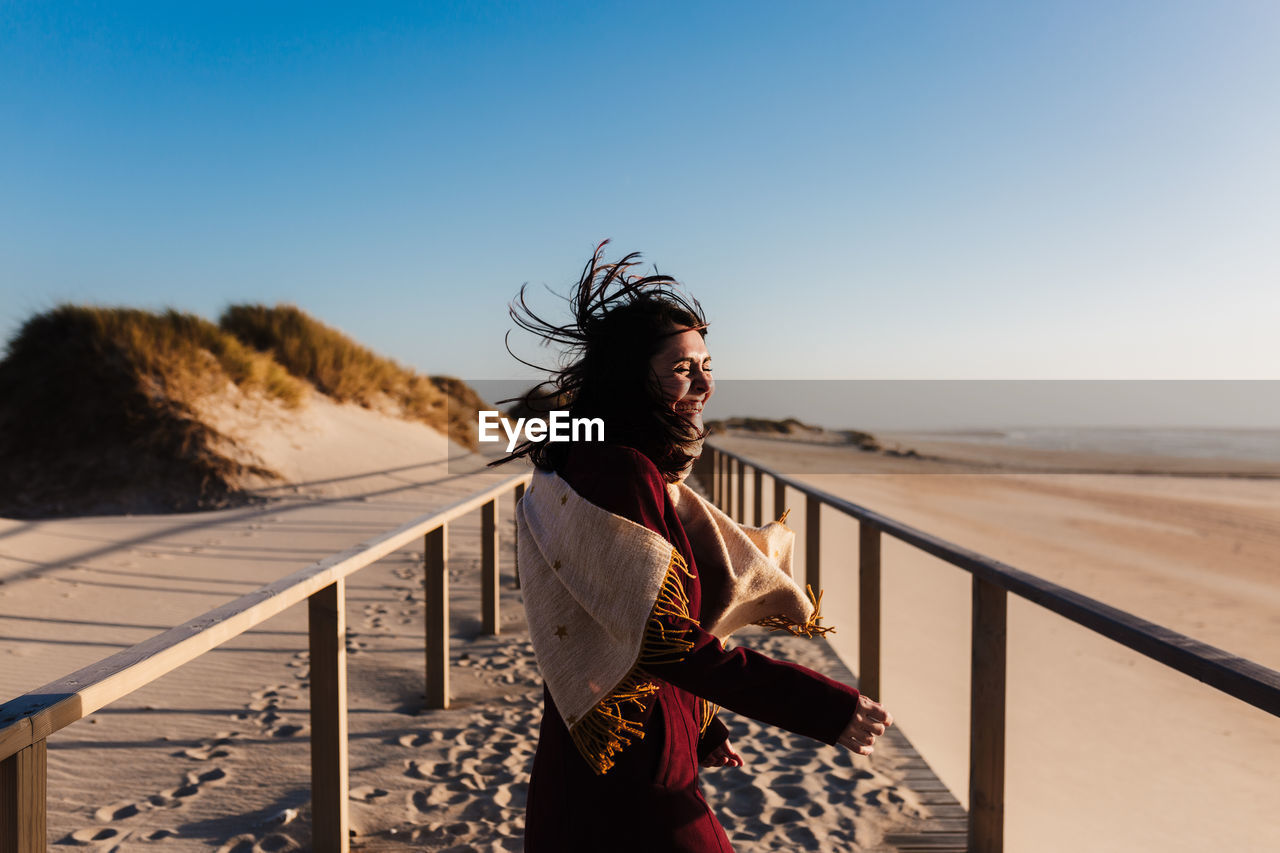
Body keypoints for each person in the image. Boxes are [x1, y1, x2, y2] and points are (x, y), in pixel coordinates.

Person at [494, 242, 893, 852]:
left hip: (602, 753)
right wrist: (822, 705)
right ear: (632, 377)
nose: (705, 382)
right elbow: (665, 639)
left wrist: (700, 726)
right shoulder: (619, 471)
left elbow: (627, 616)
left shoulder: (591, 452)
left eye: (708, 363)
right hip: (628, 777)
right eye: (684, 368)